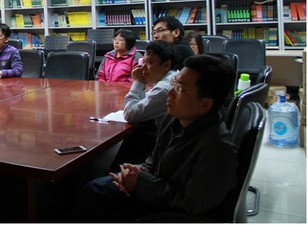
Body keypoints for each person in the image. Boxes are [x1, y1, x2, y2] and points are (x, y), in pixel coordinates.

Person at [72, 54, 237, 222]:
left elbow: (192, 203)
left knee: (95, 195)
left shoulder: (217, 148)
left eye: (180, 89)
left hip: (168, 210)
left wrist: (141, 182)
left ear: (205, 105)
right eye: (174, 84)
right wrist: (136, 172)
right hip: (153, 188)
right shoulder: (173, 119)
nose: (170, 93)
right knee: (93, 189)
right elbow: (155, 158)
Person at [109, 40, 178, 170]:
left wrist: (138, 82)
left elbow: (130, 114)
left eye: (150, 63)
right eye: (144, 62)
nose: (143, 69)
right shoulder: (169, 78)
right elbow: (142, 104)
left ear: (166, 65)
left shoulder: (164, 89)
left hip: (161, 150)